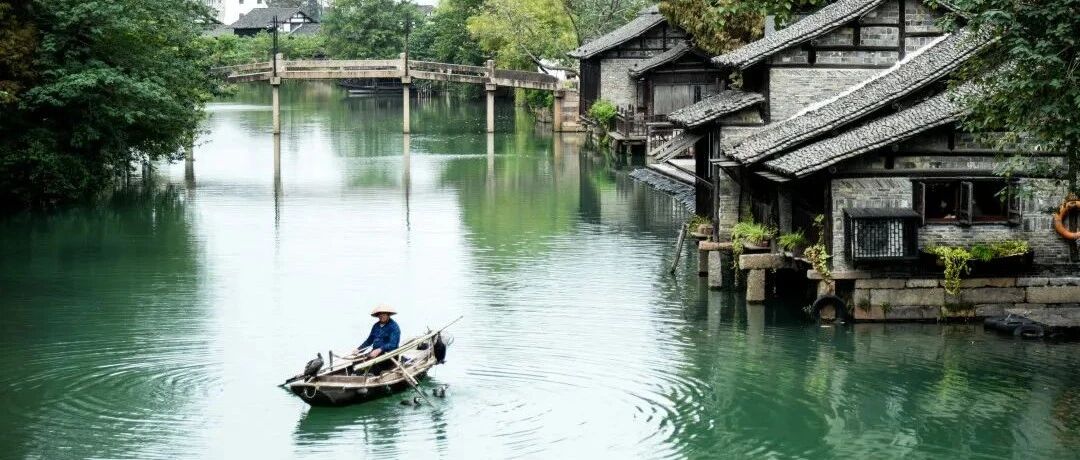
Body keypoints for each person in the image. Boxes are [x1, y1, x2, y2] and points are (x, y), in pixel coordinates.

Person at [356, 305, 401, 374]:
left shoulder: (394, 327)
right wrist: (358, 350)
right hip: (375, 353)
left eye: (384, 314)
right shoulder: (376, 326)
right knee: (357, 362)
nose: (381, 316)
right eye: (380, 315)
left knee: (372, 367)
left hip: (389, 355)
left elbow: (393, 344)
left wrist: (380, 349)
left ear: (388, 315)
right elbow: (369, 341)